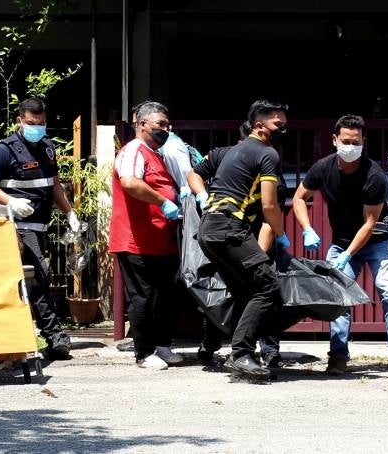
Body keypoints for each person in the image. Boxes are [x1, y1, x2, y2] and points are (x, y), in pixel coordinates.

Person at [292, 114, 388, 377]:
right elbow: (298, 197)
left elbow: (370, 222)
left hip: (377, 243)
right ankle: (338, 355)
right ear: (335, 140)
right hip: (341, 243)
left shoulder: (373, 175)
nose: (350, 146)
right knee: (337, 296)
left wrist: (348, 255)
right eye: (346, 141)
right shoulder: (323, 168)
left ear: (364, 141)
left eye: (356, 141)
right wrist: (307, 228)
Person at [196, 100, 290, 381]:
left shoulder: (231, 151)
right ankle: (241, 354)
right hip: (229, 228)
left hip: (209, 230)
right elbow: (270, 205)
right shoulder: (267, 154)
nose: (283, 129)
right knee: (268, 285)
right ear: (260, 126)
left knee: (245, 289)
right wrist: (281, 235)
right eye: (278, 125)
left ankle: (231, 349)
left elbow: (197, 173)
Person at [0, 97, 75, 360]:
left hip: (41, 224)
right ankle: (55, 337)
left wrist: (69, 212)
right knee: (40, 278)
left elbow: (54, 184)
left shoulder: (47, 147)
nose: (38, 128)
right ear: (20, 121)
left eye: (42, 123)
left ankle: (30, 337)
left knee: (32, 280)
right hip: (18, 226)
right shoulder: (5, 150)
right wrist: (11, 201)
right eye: (32, 123)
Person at [109, 100, 184, 370]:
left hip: (161, 239)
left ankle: (162, 345)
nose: (166, 129)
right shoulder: (133, 151)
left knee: (165, 295)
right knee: (143, 295)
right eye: (160, 125)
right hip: (135, 239)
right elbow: (130, 182)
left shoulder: (157, 154)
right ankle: (144, 352)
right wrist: (162, 202)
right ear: (142, 124)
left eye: (167, 124)